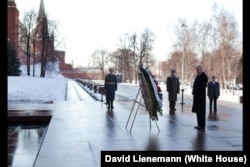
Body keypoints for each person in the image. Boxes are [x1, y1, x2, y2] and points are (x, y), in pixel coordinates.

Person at [191, 64, 208, 130]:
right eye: (196, 69)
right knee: (198, 111)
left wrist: (195, 91)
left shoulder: (204, 76)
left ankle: (202, 125)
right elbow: (195, 85)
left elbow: (202, 86)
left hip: (201, 97)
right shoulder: (197, 76)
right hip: (197, 97)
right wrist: (193, 91)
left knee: (201, 112)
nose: (196, 70)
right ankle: (199, 124)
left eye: (197, 69)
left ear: (201, 69)